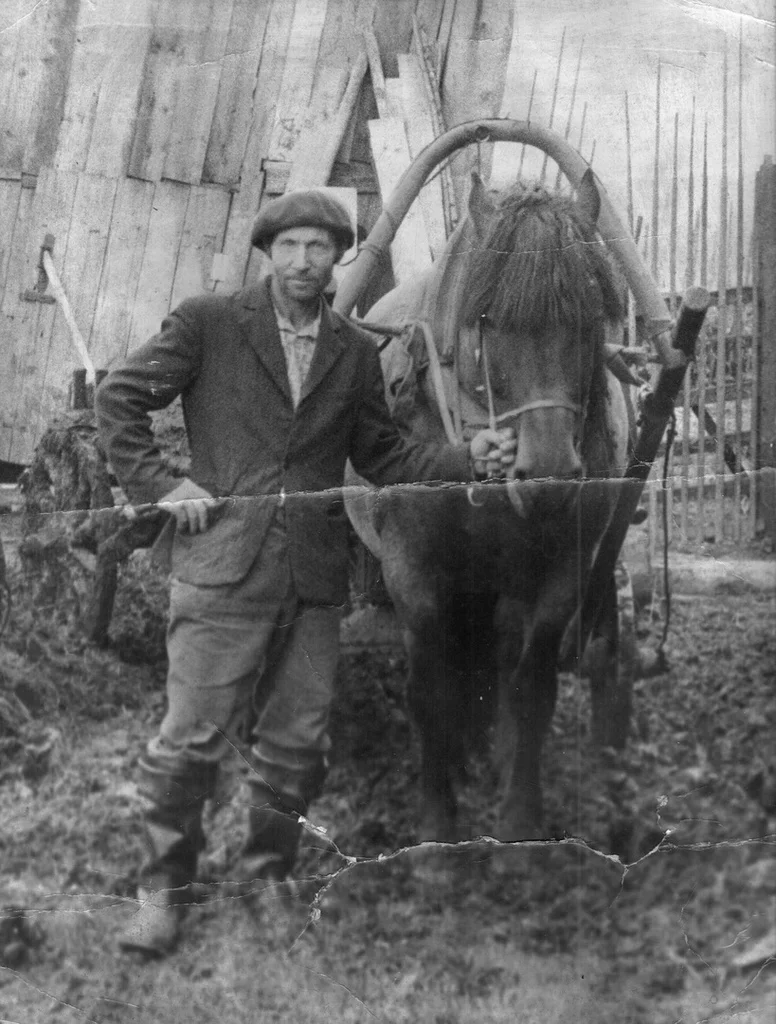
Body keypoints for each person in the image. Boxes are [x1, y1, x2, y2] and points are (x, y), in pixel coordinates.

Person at [96, 189, 516, 958]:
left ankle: (269, 878)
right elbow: (118, 397)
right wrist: (162, 485)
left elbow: (386, 457)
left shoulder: (353, 352)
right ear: (267, 253)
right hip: (222, 567)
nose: (302, 262)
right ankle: (162, 895)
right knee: (190, 740)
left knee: (296, 744)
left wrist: (466, 458)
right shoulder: (210, 324)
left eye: (318, 248)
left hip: (313, 580)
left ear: (336, 260)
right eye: (288, 246)